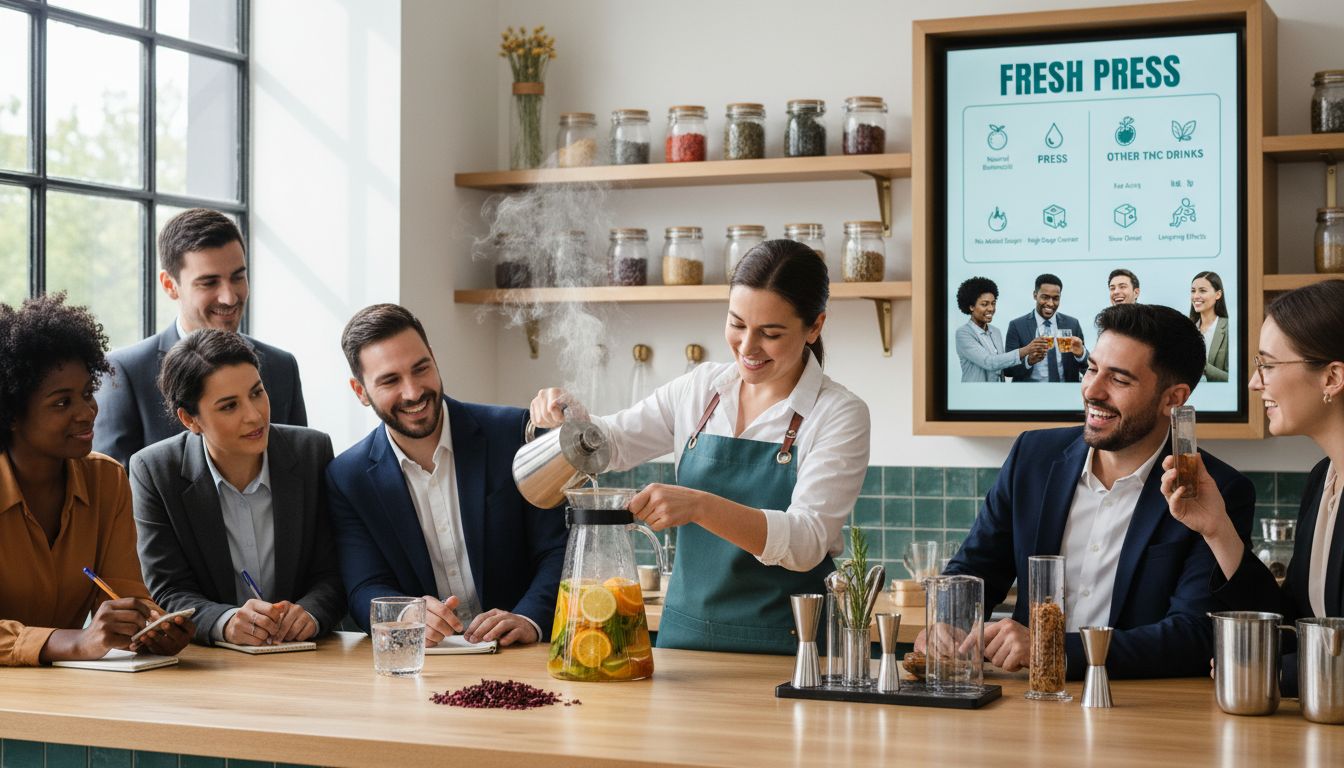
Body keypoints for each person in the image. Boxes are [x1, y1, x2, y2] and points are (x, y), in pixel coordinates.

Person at [531, 240, 870, 654]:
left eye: (771, 333)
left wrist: (700, 506)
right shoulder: (701, 388)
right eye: (737, 324)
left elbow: (805, 542)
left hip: (791, 651)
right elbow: (612, 444)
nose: (747, 347)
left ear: (814, 326)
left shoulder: (839, 413)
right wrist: (569, 417)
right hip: (684, 644)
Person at [923, 303, 1255, 679]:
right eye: (1093, 369)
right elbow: (973, 568)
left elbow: (1194, 635)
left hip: (1139, 712)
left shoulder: (1216, 491)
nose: (1092, 391)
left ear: (1173, 398)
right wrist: (947, 622)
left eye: (1119, 380)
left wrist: (1051, 649)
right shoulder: (1031, 457)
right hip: (1028, 702)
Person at [327, 304, 566, 647]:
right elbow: (363, 586)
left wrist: (529, 617)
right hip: (422, 665)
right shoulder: (346, 477)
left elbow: (558, 549)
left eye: (420, 369)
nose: (413, 392)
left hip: (523, 654)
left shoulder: (515, 434)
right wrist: (403, 614)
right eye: (390, 380)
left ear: (434, 361)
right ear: (360, 391)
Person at [1162, 280, 1344, 694]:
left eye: (1268, 365)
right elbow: (1295, 625)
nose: (1254, 383)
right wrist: (1217, 529)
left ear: (1331, 377)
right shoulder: (1324, 479)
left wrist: (1273, 674)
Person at [0, 293, 193, 666]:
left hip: (70, 696)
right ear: (11, 414)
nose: (87, 412)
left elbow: (121, 595)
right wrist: (72, 642)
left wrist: (149, 629)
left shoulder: (106, 479)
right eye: (62, 402)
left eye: (88, 393)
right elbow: (82, 642)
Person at [131, 330, 345, 646]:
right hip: (213, 666)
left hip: (306, 655)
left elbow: (335, 569)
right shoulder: (155, 471)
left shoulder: (312, 452)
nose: (254, 415)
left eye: (257, 393)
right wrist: (226, 622)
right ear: (190, 420)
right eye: (230, 406)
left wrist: (311, 613)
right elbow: (169, 589)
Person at [94, 208, 308, 466]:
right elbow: (115, 493)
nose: (229, 297)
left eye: (238, 277)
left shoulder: (281, 367)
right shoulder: (125, 373)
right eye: (209, 283)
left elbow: (299, 474)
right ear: (170, 285)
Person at [954, 276, 1049, 382]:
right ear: (971, 307)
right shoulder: (963, 333)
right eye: (984, 304)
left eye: (993, 303)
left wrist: (1029, 360)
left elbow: (1003, 365)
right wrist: (1027, 349)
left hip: (997, 394)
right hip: (976, 394)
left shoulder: (995, 332)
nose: (991, 309)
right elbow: (989, 362)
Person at [1004, 273, 1088, 383]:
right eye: (1045, 297)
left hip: (1066, 392)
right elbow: (1008, 370)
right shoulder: (1017, 326)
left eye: (1055, 298)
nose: (1050, 303)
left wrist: (1081, 355)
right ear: (1035, 295)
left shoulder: (1072, 324)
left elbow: (1087, 367)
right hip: (1030, 394)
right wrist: (1028, 361)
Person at [1189, 270, 1229, 382]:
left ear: (1218, 294)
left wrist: (1203, 366)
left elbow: (1232, 377)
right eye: (1193, 291)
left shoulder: (1229, 329)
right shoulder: (1187, 330)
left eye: (1202, 291)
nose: (1196, 296)